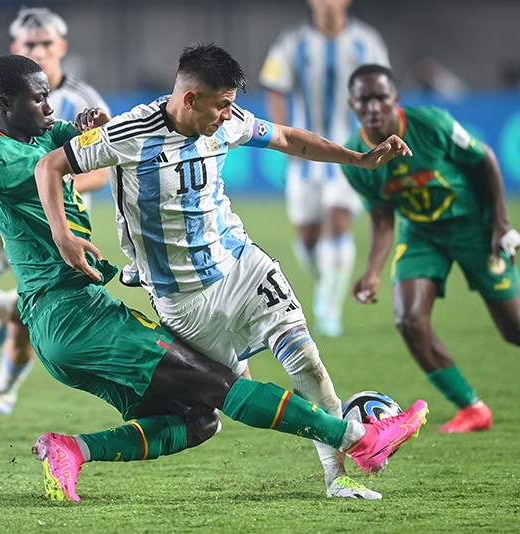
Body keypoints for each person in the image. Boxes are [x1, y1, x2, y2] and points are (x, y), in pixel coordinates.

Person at [0, 54, 428, 502]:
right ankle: (355, 438)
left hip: (74, 321)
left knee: (196, 420)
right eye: (39, 99)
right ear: (3, 107)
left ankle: (73, 450)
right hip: (76, 317)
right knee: (216, 383)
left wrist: (91, 118)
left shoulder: (43, 133)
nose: (49, 107)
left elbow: (91, 136)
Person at [35, 42, 414, 499]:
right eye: (221, 105)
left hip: (240, 264)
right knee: (226, 401)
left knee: (306, 360)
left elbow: (289, 138)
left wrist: (358, 159)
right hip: (183, 298)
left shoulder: (227, 120)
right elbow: (49, 165)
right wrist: (62, 235)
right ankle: (356, 440)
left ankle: (339, 478)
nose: (228, 116)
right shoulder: (128, 132)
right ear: (190, 99)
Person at [341, 64, 520, 433]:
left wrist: (499, 224)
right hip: (421, 234)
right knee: (408, 320)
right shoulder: (354, 157)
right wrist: (373, 272)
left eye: (381, 96)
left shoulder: (432, 125)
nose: (373, 106)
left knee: (519, 333)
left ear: (396, 98)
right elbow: (381, 216)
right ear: (352, 103)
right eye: (364, 99)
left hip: (473, 227)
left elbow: (484, 159)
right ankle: (472, 408)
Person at [0, 7, 110, 415]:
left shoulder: (83, 101)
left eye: (47, 43)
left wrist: (46, 188)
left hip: (53, 230)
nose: (40, 50)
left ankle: (2, 393)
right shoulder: (3, 102)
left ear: (61, 46)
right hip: (2, 222)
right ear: (17, 48)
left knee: (31, 323)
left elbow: (99, 174)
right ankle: (9, 308)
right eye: (31, 44)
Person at [258, 0, 390, 337]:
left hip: (352, 151)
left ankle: (328, 310)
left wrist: (375, 137)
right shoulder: (292, 42)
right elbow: (274, 87)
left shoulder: (367, 41)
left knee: (337, 219)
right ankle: (326, 284)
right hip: (305, 153)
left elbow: (384, 94)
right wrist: (283, 137)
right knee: (307, 235)